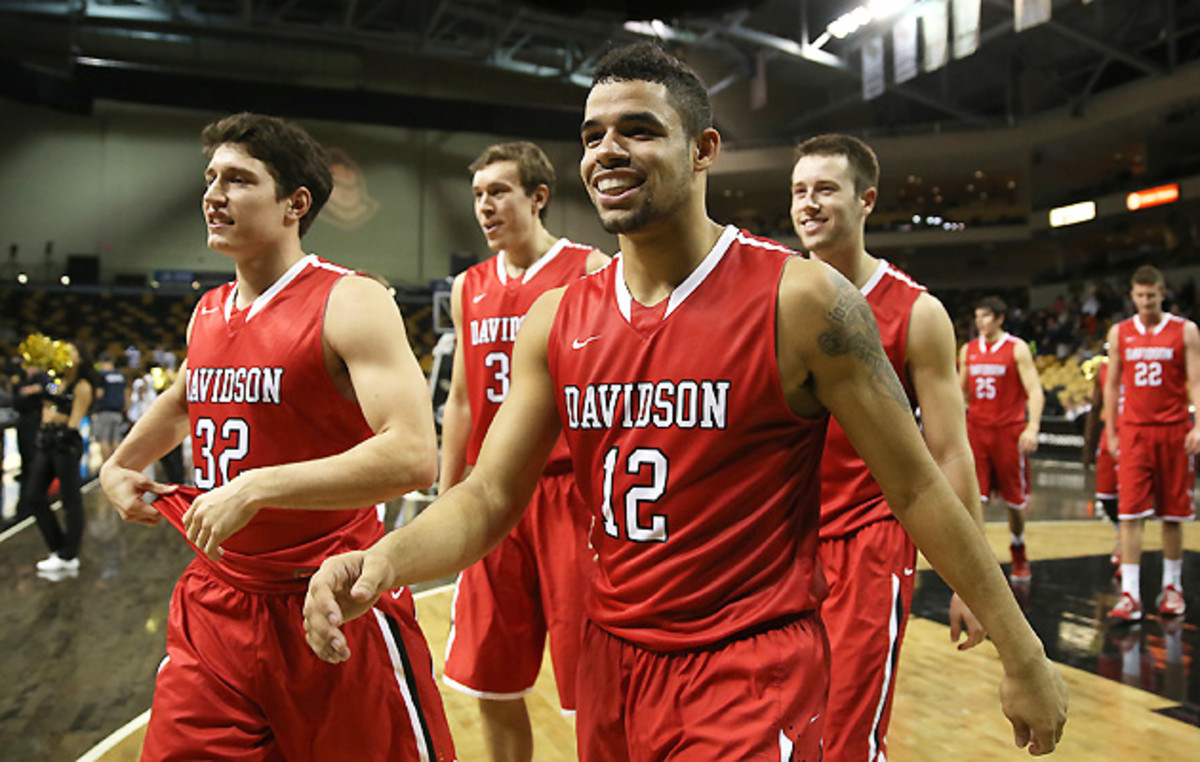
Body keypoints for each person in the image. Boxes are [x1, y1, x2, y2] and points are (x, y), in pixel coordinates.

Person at [304, 42, 1067, 760]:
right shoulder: (558, 318)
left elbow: (916, 484)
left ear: (703, 149)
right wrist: (383, 558)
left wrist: (1021, 649)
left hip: (747, 664)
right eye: (593, 134)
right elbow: (491, 493)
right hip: (614, 658)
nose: (608, 151)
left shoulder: (803, 300)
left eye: (639, 130)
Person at [99, 112, 455, 760]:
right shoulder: (209, 310)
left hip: (330, 598)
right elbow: (187, 393)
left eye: (238, 180)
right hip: (217, 602)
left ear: (296, 203)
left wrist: (257, 487)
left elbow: (412, 453)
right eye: (211, 178)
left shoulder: (350, 299)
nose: (214, 193)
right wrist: (120, 464)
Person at [791, 133, 987, 761]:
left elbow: (951, 453)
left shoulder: (917, 312)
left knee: (847, 738)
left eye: (825, 189)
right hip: (780, 545)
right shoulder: (773, 297)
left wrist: (972, 581)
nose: (808, 204)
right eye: (798, 191)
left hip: (868, 547)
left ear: (866, 199)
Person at [439, 140, 608, 761]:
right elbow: (460, 398)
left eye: (499, 192)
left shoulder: (589, 270)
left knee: (592, 679)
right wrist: (446, 487)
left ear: (538, 197)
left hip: (569, 496)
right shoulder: (468, 287)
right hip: (492, 495)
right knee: (490, 679)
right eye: (479, 194)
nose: (485, 206)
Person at [1104, 265, 1200, 621]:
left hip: (1174, 430)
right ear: (1132, 296)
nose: (1146, 301)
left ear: (1163, 293)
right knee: (1129, 515)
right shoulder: (1120, 333)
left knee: (1172, 515)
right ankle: (1130, 595)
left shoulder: (1185, 331)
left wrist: (1198, 425)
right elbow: (1112, 384)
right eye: (1140, 295)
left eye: (1152, 295)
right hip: (1135, 432)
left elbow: (1196, 381)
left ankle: (1172, 588)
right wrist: (1112, 431)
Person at [959, 296, 1045, 581]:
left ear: (999, 318)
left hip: (1009, 431)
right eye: (977, 316)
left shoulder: (1017, 349)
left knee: (1015, 502)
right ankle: (979, 561)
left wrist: (1032, 426)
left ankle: (1018, 547)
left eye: (985, 316)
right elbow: (960, 395)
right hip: (977, 430)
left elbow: (1034, 390)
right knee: (975, 498)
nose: (979, 322)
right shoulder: (968, 350)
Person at [20, 341, 97, 576]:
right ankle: (58, 547)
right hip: (47, 442)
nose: (66, 356)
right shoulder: (55, 381)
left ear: (81, 359)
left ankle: (69, 554)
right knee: (33, 496)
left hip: (65, 445)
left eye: (72, 352)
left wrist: (55, 417)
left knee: (70, 499)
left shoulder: (82, 386)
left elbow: (75, 420)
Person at [1081, 353, 1121, 575]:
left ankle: (1125, 545)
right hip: (1111, 436)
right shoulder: (1104, 371)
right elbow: (1096, 408)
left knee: (1132, 500)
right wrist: (1088, 446)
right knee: (1105, 495)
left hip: (1138, 434)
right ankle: (1120, 532)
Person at [91, 352, 128, 464]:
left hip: (105, 411)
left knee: (104, 440)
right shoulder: (120, 376)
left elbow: (99, 394)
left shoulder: (102, 375)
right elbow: (126, 393)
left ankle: (106, 467)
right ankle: (118, 466)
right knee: (116, 441)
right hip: (118, 412)